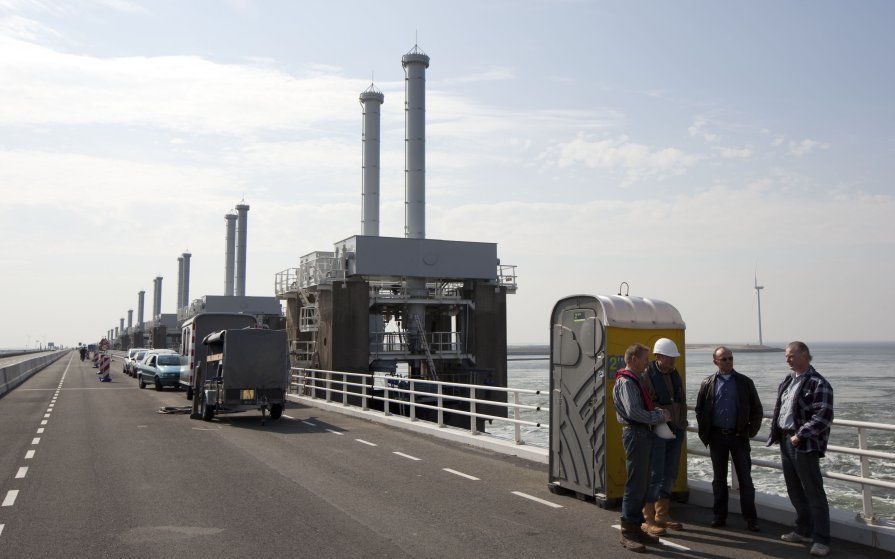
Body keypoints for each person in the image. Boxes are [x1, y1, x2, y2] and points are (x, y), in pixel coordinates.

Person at [767, 341, 834, 557]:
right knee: (794, 489)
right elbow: (782, 409)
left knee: (813, 492)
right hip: (787, 441)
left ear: (805, 355)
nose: (787, 359)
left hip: (803, 443)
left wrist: (800, 435)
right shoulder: (788, 380)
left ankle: (822, 539)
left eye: (791, 355)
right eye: (786, 356)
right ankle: (803, 529)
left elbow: (823, 416)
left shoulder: (818, 383)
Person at [694, 346, 763, 531]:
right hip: (717, 437)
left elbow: (757, 409)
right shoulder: (707, 382)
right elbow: (700, 409)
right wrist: (705, 433)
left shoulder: (745, 382)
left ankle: (751, 519)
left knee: (745, 480)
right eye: (723, 359)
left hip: (739, 436)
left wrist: (749, 431)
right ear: (715, 361)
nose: (728, 361)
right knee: (719, 479)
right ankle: (719, 516)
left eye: (730, 358)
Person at [613, 343, 671, 553]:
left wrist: (654, 412)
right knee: (635, 484)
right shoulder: (627, 382)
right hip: (636, 433)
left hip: (641, 433)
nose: (648, 362)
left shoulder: (634, 379)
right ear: (633, 359)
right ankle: (628, 531)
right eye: (645, 358)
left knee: (642, 482)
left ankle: (635, 528)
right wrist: (659, 416)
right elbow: (633, 412)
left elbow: (639, 409)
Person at [640, 338, 687, 533]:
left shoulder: (674, 374)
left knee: (669, 473)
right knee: (655, 473)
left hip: (675, 429)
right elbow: (644, 404)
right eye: (669, 357)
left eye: (674, 357)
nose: (673, 361)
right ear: (658, 357)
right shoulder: (646, 377)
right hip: (656, 431)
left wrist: (681, 423)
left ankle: (662, 514)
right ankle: (648, 517)